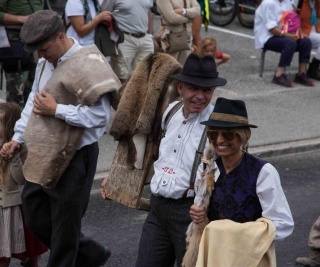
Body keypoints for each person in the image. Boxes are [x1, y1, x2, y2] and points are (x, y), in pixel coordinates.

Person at [0, 10, 121, 267]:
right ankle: (91, 254)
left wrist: (57, 110)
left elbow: (99, 118)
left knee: (65, 227)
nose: (40, 56)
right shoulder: (45, 62)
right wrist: (17, 138)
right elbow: (34, 103)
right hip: (42, 149)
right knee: (34, 212)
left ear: (61, 36)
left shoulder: (89, 62)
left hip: (75, 155)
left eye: (43, 49)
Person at [134, 53, 227, 267]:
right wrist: (119, 178)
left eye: (207, 90)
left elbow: (227, 174)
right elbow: (153, 152)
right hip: (157, 210)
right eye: (194, 88)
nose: (200, 96)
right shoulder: (171, 112)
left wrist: (206, 212)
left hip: (190, 214)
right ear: (180, 88)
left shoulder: (218, 126)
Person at [189, 97, 294, 262]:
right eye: (214, 133)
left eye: (228, 134)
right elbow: (201, 211)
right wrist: (198, 215)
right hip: (216, 257)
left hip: (249, 259)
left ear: (243, 136)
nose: (219, 140)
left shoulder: (263, 172)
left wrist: (234, 232)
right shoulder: (208, 169)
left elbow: (283, 223)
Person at [0, 102, 47, 267]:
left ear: (9, 125)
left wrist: (13, 156)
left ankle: (29, 261)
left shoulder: (22, 148)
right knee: (2, 256)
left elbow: (21, 179)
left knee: (23, 252)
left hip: (14, 208)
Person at [254, 0, 314, 88]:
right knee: (290, 43)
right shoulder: (268, 3)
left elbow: (293, 20)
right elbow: (271, 28)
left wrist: (299, 33)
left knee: (306, 41)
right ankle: (279, 74)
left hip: (283, 34)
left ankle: (301, 73)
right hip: (267, 37)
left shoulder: (287, 2)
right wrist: (289, 36)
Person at [0, 0, 43, 107]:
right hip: (16, 46)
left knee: (35, 92)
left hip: (36, 43)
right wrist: (20, 19)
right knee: (16, 96)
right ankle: (12, 122)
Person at [101, 0, 154, 82]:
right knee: (121, 77)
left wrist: (151, 35)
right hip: (124, 39)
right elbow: (104, 12)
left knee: (143, 76)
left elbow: (148, 12)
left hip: (145, 38)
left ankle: (134, 94)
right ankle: (120, 95)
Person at [156, 0, 200, 65]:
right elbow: (172, 18)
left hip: (186, 38)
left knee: (183, 69)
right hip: (169, 38)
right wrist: (190, 18)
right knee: (168, 69)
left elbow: (197, 10)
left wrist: (183, 11)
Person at [292, 0, 320, 80]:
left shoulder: (315, 2)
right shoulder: (298, 1)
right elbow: (291, 16)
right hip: (302, 31)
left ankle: (314, 67)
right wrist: (299, 31)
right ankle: (313, 69)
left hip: (315, 30)